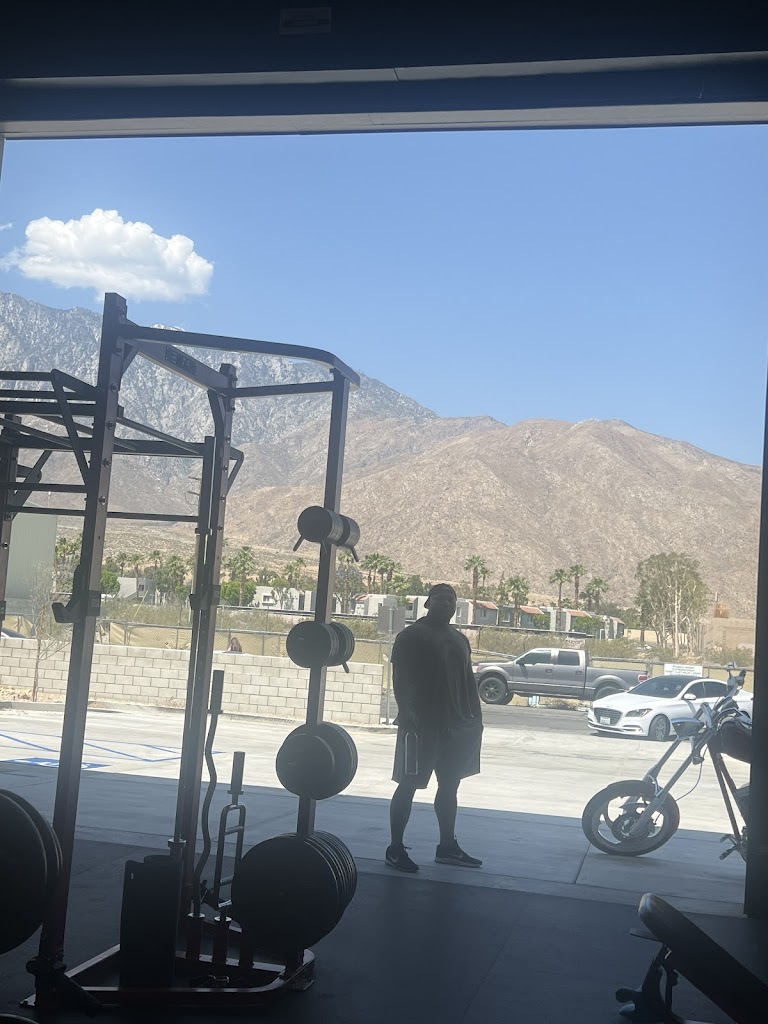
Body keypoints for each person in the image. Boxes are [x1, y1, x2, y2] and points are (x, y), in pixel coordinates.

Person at [386, 583, 484, 873]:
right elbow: (399, 675)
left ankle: (447, 847)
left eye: (451, 600)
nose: (446, 604)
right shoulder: (411, 636)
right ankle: (395, 848)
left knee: (450, 786)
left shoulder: (460, 639)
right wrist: (405, 711)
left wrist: (474, 720)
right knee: (408, 785)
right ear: (428, 603)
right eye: (440, 599)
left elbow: (467, 682)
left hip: (456, 726)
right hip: (421, 725)